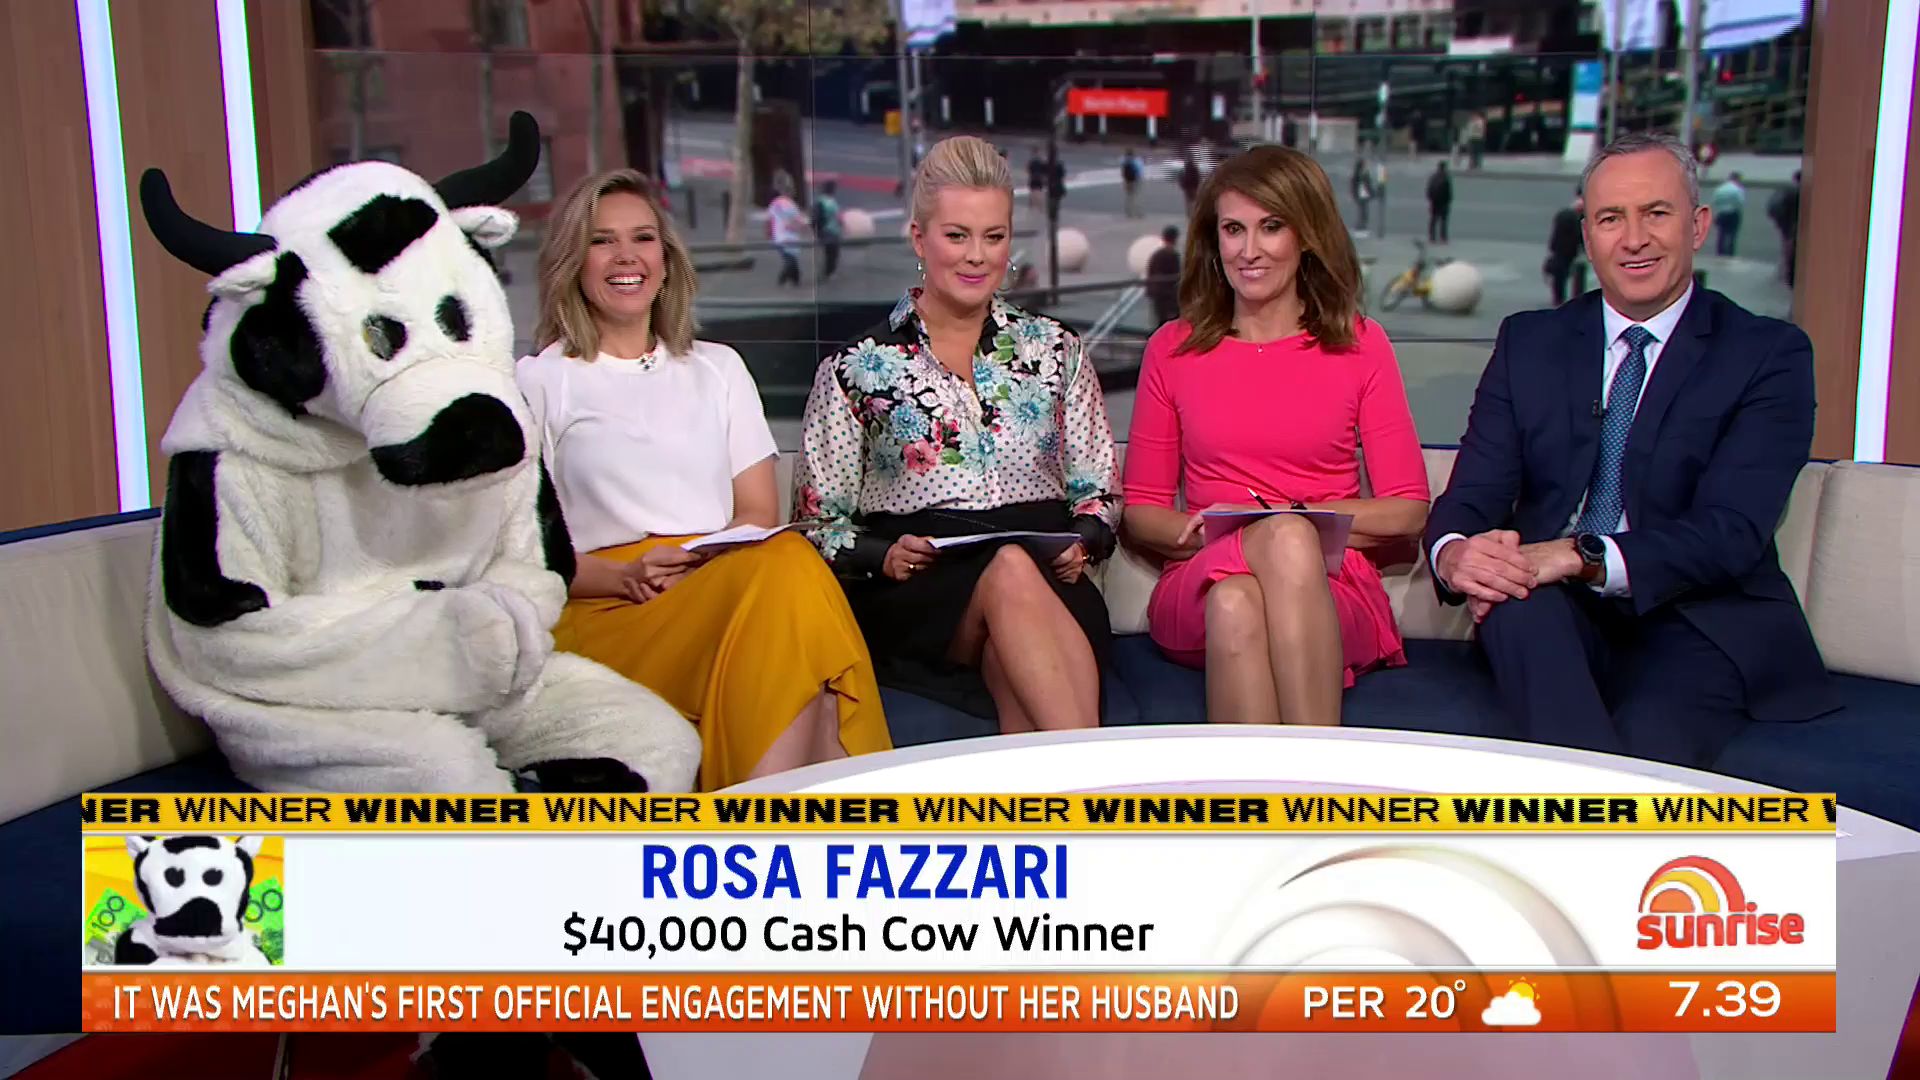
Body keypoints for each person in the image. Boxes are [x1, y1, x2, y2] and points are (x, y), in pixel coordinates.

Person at [1424, 132, 1837, 770]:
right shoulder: (1530, 342)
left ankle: (1593, 811)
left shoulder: (1766, 354)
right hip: (1549, 608)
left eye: (1656, 213)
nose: (1634, 239)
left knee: (1651, 747)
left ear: (1698, 226)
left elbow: (1731, 531)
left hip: (1698, 614)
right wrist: (1456, 555)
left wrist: (1579, 555)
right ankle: (1607, 813)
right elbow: (1473, 493)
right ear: (1587, 236)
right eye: (1611, 218)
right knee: (1515, 605)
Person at [518, 169, 892, 790]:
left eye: (643, 238)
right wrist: (625, 576)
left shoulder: (719, 368)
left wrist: (701, 561)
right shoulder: (540, 381)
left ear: (665, 260)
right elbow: (523, 556)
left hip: (716, 579)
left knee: (785, 569)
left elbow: (757, 513)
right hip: (607, 601)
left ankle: (757, 824)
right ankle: (810, 821)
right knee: (793, 599)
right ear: (573, 261)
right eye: (602, 241)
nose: (626, 256)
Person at [795, 135, 1122, 732]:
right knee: (1009, 570)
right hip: (923, 592)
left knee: (1014, 610)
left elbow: (1097, 490)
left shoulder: (1057, 349)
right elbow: (818, 524)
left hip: (1050, 577)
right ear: (919, 239)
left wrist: (1084, 541)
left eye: (993, 237)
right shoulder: (855, 368)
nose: (976, 256)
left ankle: (1069, 784)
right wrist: (883, 555)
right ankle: (1103, 781)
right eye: (957, 236)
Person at [1122, 145, 1430, 726]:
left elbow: (1408, 510)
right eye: (1233, 230)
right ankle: (1320, 780)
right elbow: (1141, 513)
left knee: (1244, 594)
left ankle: (1273, 786)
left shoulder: (1361, 345)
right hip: (1201, 573)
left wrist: (1289, 519)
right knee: (1246, 574)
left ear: (1306, 234)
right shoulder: (1172, 348)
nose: (1249, 251)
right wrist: (1221, 535)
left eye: (1271, 227)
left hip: (1332, 584)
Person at [766, 170, 809, 287]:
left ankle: (795, 280)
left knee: (791, 260)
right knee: (790, 261)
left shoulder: (775, 203)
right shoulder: (790, 205)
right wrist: (805, 226)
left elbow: (769, 220)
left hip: (780, 237)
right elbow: (798, 221)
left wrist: (769, 234)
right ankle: (783, 280)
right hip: (789, 238)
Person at [1545, 186, 1584, 306]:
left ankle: (1560, 299)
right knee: (1575, 274)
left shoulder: (1566, 213)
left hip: (1562, 249)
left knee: (1561, 276)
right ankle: (1574, 299)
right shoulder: (1576, 213)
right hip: (1569, 249)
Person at [1768, 170, 1801, 286]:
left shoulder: (1787, 189)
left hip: (1785, 222)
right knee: (1791, 247)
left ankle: (1786, 271)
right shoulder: (1798, 191)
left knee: (1787, 245)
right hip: (1791, 223)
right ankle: (1789, 274)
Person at [1145, 225, 1181, 327]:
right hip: (1169, 298)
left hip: (1158, 296)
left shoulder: (1157, 255)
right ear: (1175, 239)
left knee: (1161, 324)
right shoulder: (1172, 255)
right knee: (1171, 324)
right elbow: (1175, 277)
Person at [812, 179, 844, 281]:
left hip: (825, 231)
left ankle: (826, 273)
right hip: (830, 231)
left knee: (829, 253)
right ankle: (828, 273)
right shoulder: (830, 202)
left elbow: (814, 218)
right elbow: (838, 218)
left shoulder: (821, 201)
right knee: (832, 254)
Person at [1710, 171, 1745, 257]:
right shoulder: (1737, 189)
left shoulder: (1720, 188)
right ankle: (1730, 253)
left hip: (1721, 213)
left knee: (1721, 233)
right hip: (1733, 213)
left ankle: (1720, 252)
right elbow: (1741, 202)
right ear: (1737, 179)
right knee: (1732, 234)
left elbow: (1715, 201)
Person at [1426, 160, 1452, 244]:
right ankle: (1443, 237)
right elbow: (1448, 191)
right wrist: (1449, 200)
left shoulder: (1433, 177)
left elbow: (1429, 190)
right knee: (1443, 220)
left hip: (1434, 201)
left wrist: (1430, 199)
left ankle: (1432, 237)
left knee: (1433, 219)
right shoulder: (1446, 177)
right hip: (1444, 202)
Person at [1350, 155, 1375, 235]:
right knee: (1362, 212)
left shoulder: (1362, 173)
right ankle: (1360, 226)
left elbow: (1367, 184)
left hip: (1363, 195)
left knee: (1363, 211)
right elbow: (1364, 184)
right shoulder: (1359, 174)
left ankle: (1361, 226)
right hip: (1361, 194)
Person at [1121, 147, 1144, 218]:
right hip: (1136, 180)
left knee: (1129, 196)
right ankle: (1138, 212)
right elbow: (1140, 171)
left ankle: (1129, 212)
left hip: (1127, 180)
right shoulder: (1137, 160)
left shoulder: (1124, 160)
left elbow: (1123, 171)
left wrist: (1125, 180)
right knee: (1136, 196)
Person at [1028, 147, 1048, 214]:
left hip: (1033, 178)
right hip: (1039, 178)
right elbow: (1045, 171)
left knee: (1032, 193)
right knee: (1040, 193)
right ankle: (1040, 207)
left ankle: (1032, 206)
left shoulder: (1031, 161)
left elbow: (1029, 170)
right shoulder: (1041, 161)